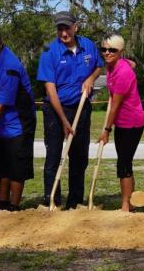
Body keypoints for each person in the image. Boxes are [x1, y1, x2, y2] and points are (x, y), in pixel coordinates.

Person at [37, 11, 100, 210]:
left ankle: (74, 202)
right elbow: (50, 89)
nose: (64, 33)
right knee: (54, 155)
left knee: (79, 156)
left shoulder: (88, 45)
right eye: (60, 29)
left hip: (81, 108)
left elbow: (99, 66)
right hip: (56, 110)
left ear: (76, 26)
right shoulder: (50, 52)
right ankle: (52, 199)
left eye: (67, 28)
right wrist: (64, 120)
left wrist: (90, 79)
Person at [0, 27, 36, 212]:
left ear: (0, 44)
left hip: (18, 122)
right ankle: (2, 201)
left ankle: (13, 205)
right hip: (1, 124)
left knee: (16, 166)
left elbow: (1, 107)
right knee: (2, 163)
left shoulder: (10, 66)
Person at [95, 35, 144, 212]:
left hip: (131, 123)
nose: (107, 53)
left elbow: (114, 106)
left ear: (120, 52)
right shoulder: (112, 66)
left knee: (123, 163)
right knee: (125, 162)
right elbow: (130, 64)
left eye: (112, 50)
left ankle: (125, 205)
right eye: (104, 49)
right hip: (122, 123)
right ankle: (129, 203)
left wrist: (106, 130)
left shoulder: (122, 72)